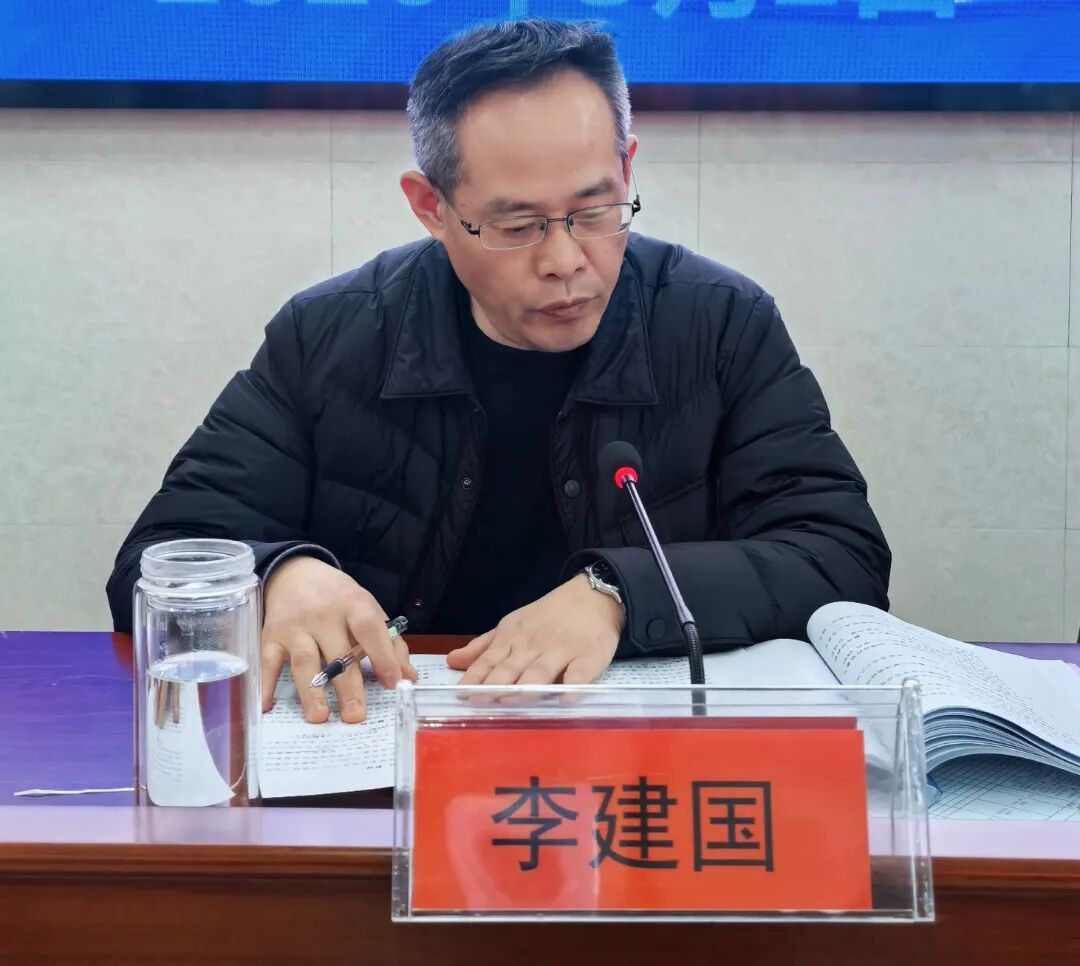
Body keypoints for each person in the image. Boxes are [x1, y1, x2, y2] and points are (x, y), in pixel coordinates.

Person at [107, 19, 890, 726]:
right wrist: (280, 575)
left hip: (639, 759)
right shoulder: (330, 336)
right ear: (430, 206)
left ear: (627, 166)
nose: (566, 260)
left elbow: (842, 555)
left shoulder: (719, 324)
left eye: (596, 210)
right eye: (517, 225)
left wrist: (619, 595)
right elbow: (156, 560)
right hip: (389, 746)